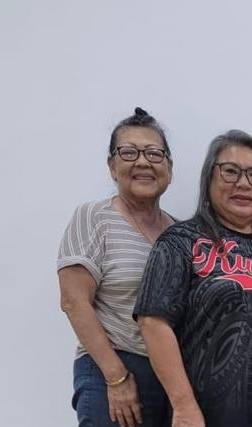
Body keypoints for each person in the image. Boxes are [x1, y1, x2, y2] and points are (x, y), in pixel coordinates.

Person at [135, 130, 252, 427]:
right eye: (230, 171)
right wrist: (183, 406)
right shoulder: (181, 240)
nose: (244, 183)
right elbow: (153, 322)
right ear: (209, 179)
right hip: (204, 417)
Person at [58, 107, 175, 427]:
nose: (142, 162)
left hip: (170, 377)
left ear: (169, 166)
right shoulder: (93, 217)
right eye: (129, 152)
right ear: (112, 165)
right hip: (112, 367)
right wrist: (116, 378)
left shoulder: (179, 233)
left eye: (154, 153)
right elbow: (73, 301)